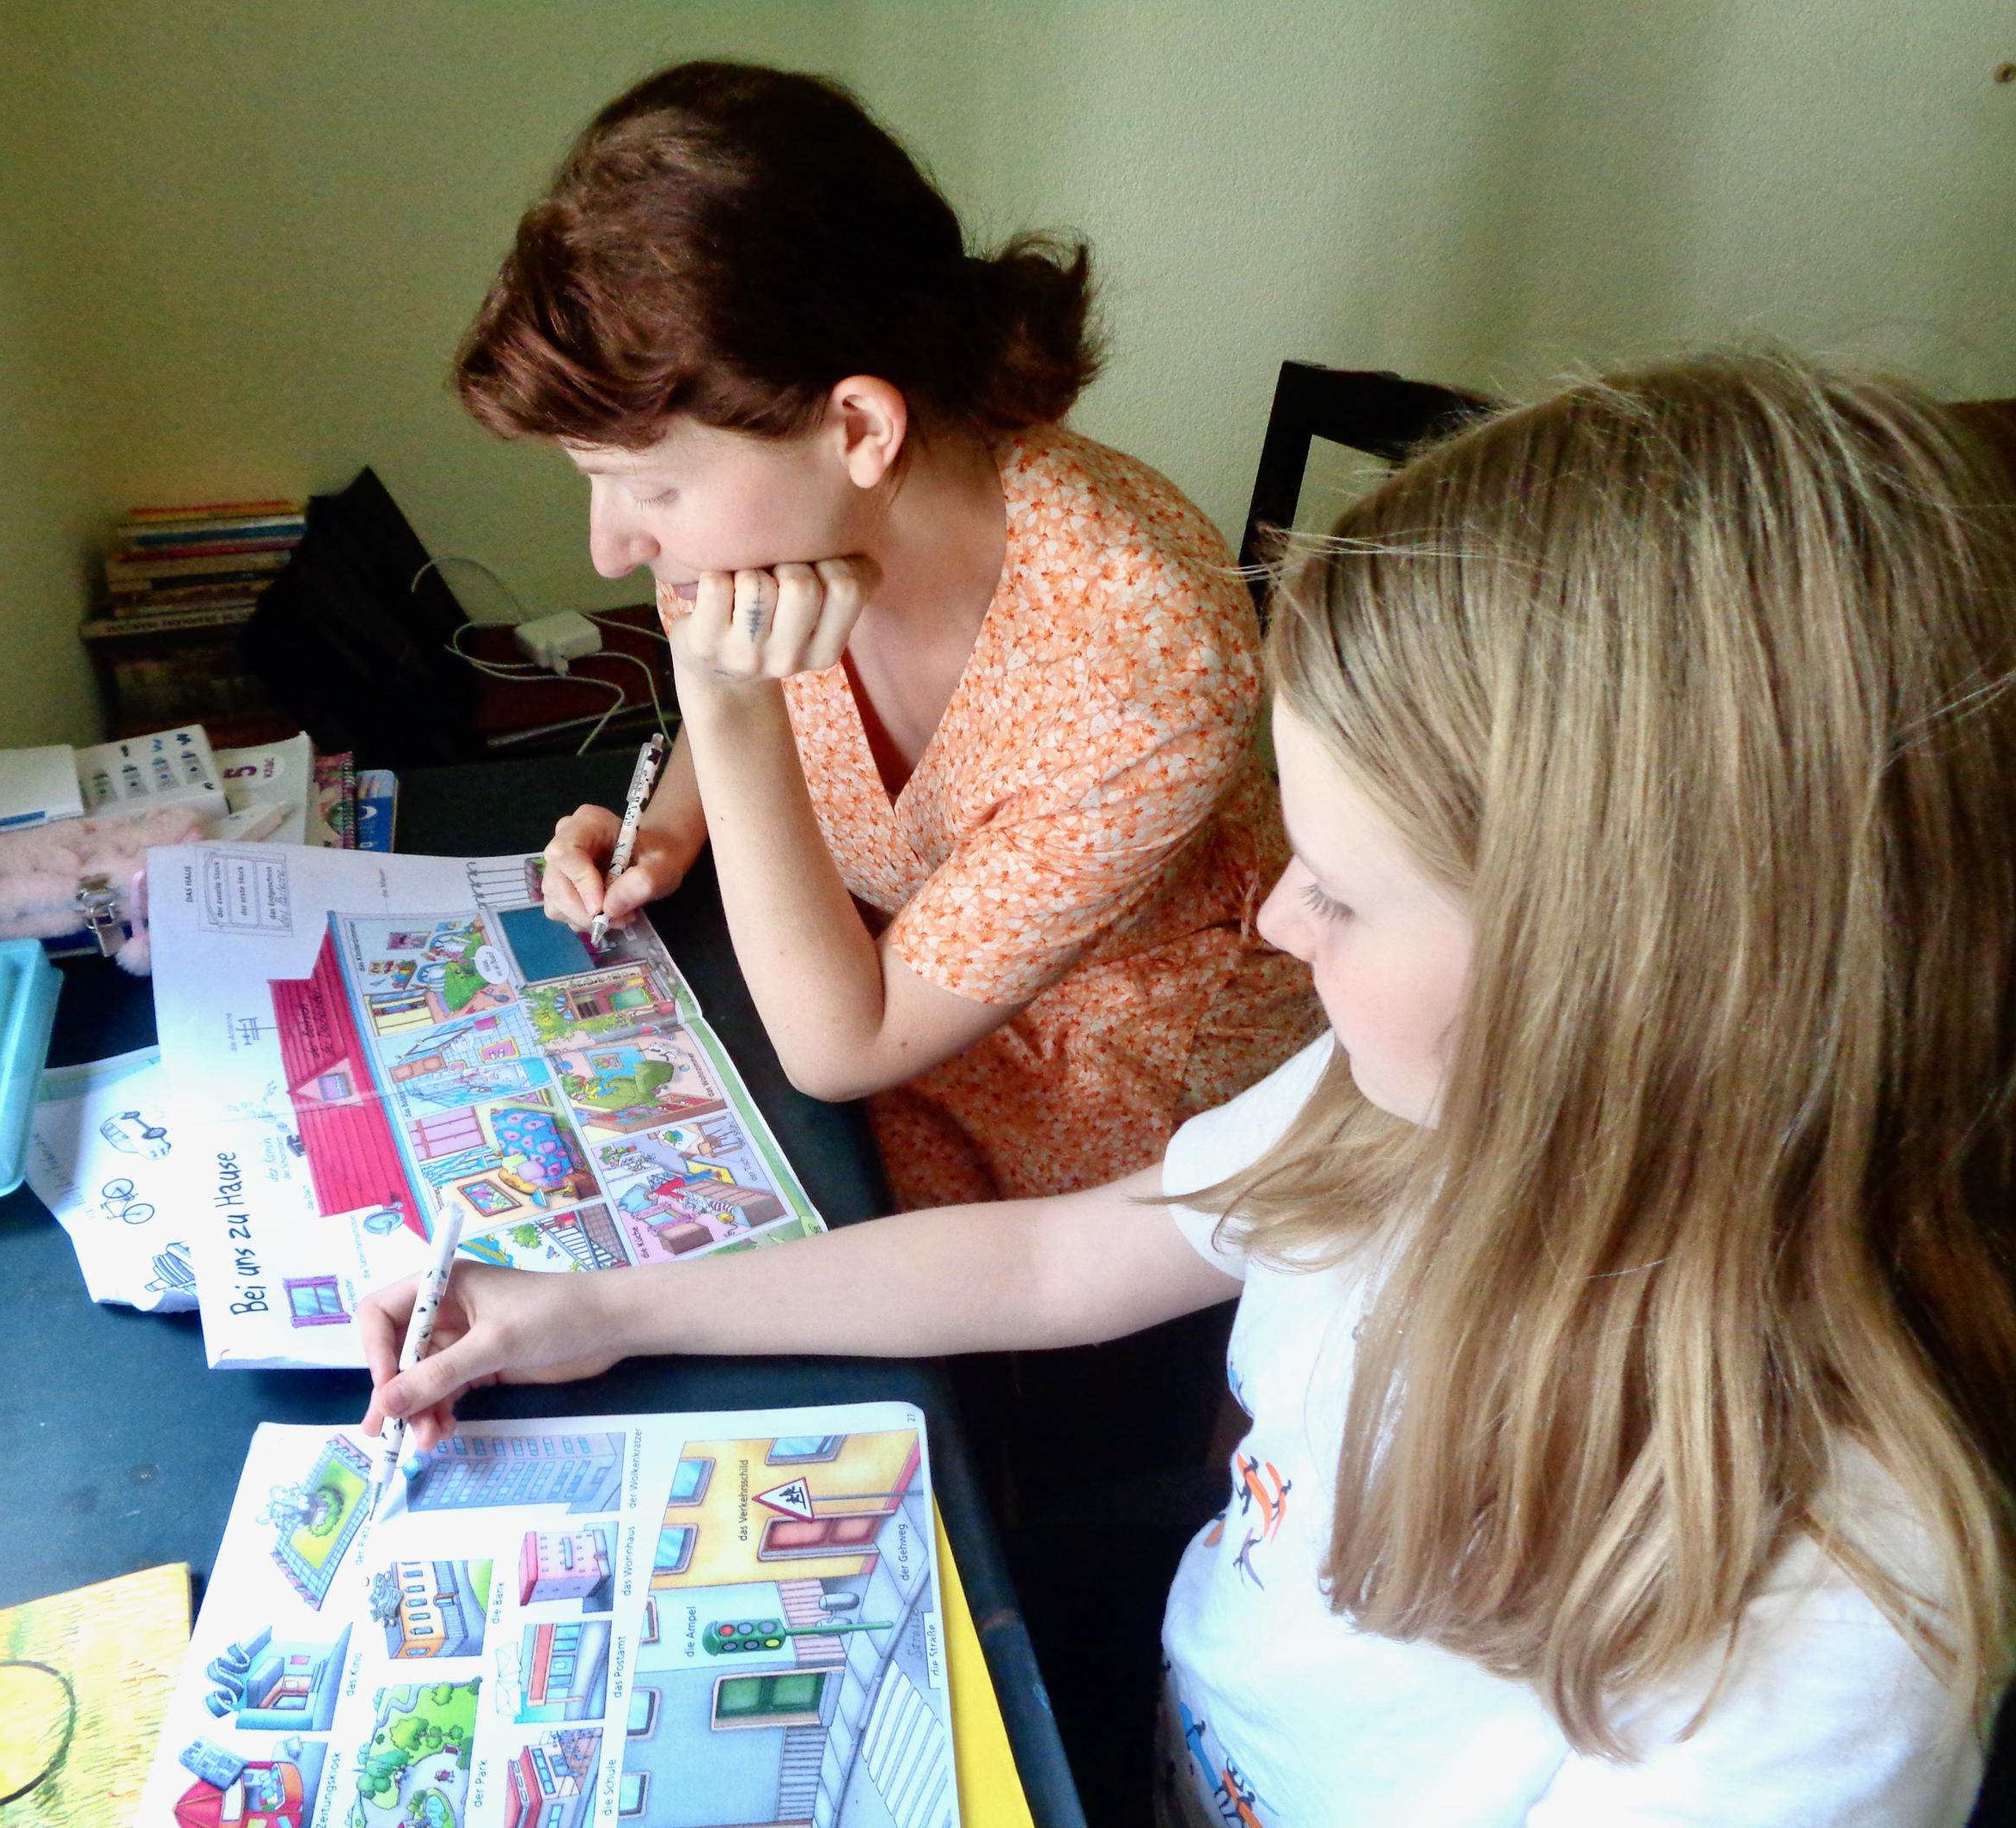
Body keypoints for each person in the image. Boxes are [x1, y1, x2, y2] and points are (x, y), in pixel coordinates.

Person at [369, 351, 2016, 1822]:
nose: (1278, 921)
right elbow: (1056, 1259)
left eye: (1345, 892)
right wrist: (602, 1310)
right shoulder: (1394, 1118)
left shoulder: (1831, 1639)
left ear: (1637, 979)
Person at [452, 61, 1322, 1218]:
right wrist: (665, 833)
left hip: (1115, 1124)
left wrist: (722, 703)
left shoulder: (1147, 659)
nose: (611, 546)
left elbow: (839, 1044)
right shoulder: (760, 529)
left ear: (857, 426)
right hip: (852, 995)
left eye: (648, 490)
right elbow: (760, 712)